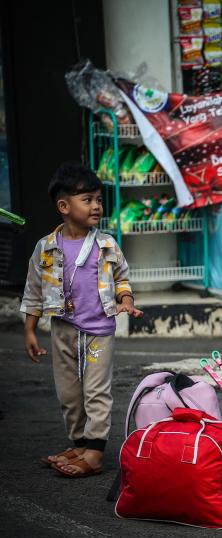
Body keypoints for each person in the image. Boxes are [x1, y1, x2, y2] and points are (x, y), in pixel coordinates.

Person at [21, 162, 143, 478]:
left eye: (98, 199)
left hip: (99, 331)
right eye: (87, 199)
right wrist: (30, 330)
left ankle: (96, 453)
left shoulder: (106, 245)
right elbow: (33, 292)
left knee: (95, 391)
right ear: (64, 206)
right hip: (62, 330)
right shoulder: (45, 249)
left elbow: (122, 279)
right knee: (69, 394)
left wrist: (126, 300)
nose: (97, 206)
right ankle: (79, 443)